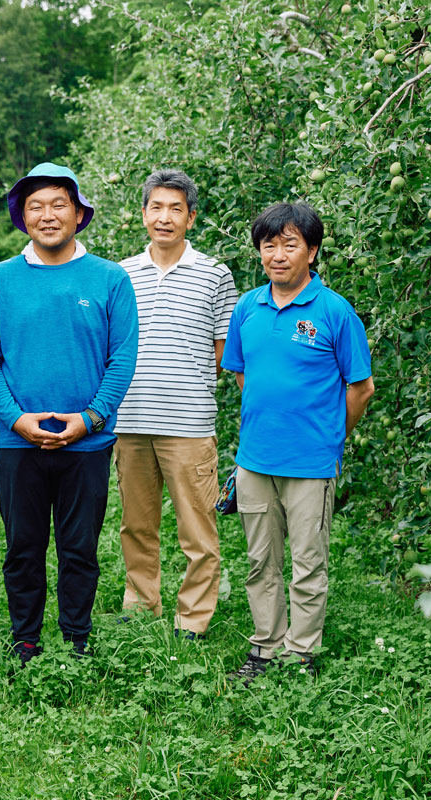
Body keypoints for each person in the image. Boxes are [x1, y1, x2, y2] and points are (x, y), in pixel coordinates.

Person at [0, 162, 138, 664]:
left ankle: (76, 638)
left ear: (79, 213)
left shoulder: (110, 278)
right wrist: (15, 417)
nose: (47, 215)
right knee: (22, 547)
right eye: (35, 206)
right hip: (18, 441)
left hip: (87, 443)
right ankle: (25, 638)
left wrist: (91, 418)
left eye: (58, 204)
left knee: (79, 548)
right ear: (22, 217)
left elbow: (122, 356)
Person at [220, 201, 374, 681]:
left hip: (310, 462)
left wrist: (331, 436)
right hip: (254, 460)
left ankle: (300, 653)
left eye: (290, 244)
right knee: (260, 561)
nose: (279, 255)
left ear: (312, 251)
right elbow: (243, 374)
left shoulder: (334, 311)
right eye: (270, 245)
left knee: (308, 563)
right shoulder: (248, 306)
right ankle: (265, 648)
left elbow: (361, 387)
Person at [114, 169, 237, 639]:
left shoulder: (215, 274)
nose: (165, 217)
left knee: (198, 530)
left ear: (191, 217)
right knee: (136, 526)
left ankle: (194, 619)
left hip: (189, 424)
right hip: (130, 421)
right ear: (144, 213)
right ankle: (140, 605)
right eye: (156, 207)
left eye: (175, 209)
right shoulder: (121, 274)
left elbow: (223, 351)